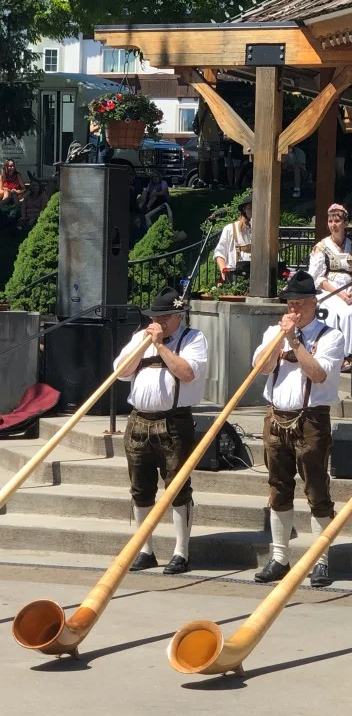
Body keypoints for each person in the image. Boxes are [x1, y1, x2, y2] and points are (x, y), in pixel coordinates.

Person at [252, 271, 346, 586]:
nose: (293, 309)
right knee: (278, 486)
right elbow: (261, 368)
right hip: (276, 416)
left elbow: (317, 374)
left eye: (299, 303)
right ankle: (279, 557)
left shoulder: (330, 336)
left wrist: (294, 342)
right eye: (290, 303)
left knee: (317, 489)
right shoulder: (272, 332)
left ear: (312, 303)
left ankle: (320, 560)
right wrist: (280, 340)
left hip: (311, 419)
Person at [113, 287, 208, 575]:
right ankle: (145, 549)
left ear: (179, 316)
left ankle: (181, 552)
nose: (159, 322)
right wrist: (145, 344)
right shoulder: (140, 339)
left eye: (165, 317)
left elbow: (187, 372)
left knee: (177, 486)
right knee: (140, 487)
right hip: (139, 421)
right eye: (155, 316)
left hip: (173, 422)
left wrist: (162, 346)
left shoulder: (193, 339)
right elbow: (120, 371)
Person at [308, 203, 352, 373]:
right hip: (329, 291)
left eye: (337, 221)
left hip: (350, 290)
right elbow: (316, 277)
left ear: (345, 224)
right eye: (330, 221)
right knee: (344, 313)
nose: (333, 225)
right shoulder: (322, 247)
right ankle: (343, 355)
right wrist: (340, 294)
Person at [213, 192, 253, 279]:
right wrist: (224, 271)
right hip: (235, 277)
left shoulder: (264, 230)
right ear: (244, 210)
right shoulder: (230, 229)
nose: (254, 211)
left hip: (258, 277)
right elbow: (219, 253)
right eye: (250, 208)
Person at [195, 103, 221, 185]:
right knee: (205, 160)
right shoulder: (202, 111)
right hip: (205, 140)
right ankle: (202, 180)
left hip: (212, 139)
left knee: (213, 160)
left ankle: (214, 180)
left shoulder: (215, 112)